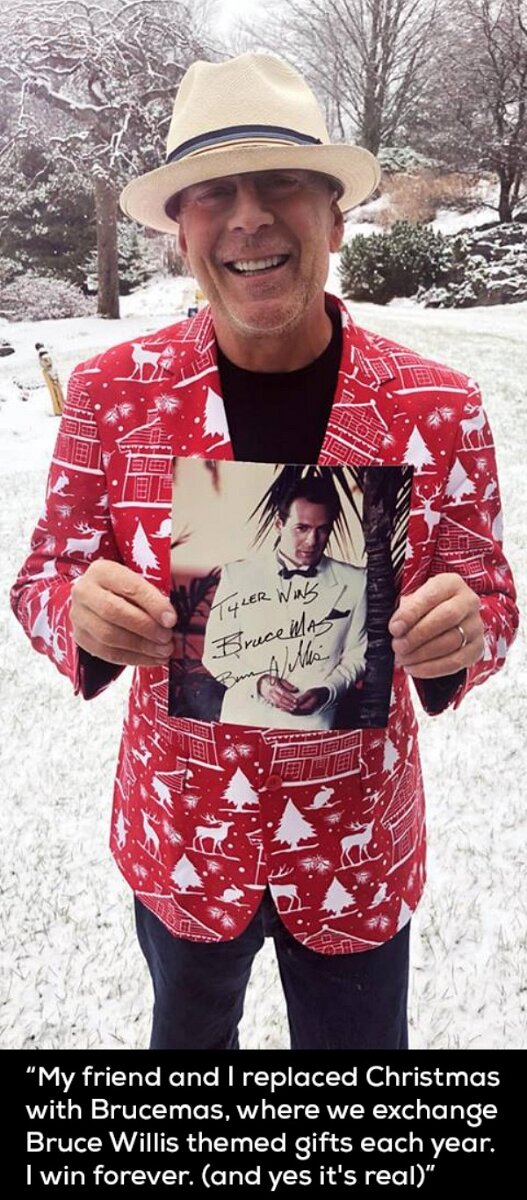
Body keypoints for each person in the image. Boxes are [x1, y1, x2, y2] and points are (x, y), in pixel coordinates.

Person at [11, 53, 518, 1050]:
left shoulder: (437, 405)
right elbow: (44, 573)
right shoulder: (115, 394)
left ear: (333, 218)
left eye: (281, 183)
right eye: (214, 194)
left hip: (356, 846)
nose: (248, 217)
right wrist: (74, 611)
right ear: (182, 232)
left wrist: (465, 631)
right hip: (183, 842)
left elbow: (488, 593)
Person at [201, 474, 368, 730]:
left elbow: (357, 657)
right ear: (279, 523)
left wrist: (328, 691)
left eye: (323, 529)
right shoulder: (237, 576)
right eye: (302, 528)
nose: (312, 541)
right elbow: (215, 654)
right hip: (242, 722)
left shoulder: (356, 582)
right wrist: (258, 684)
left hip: (316, 727)